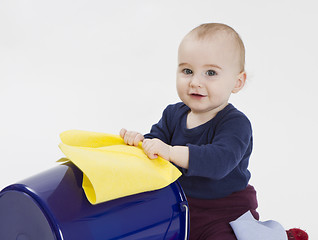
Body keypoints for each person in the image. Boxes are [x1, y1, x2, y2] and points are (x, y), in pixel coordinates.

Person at [120, 23, 308, 240]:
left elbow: (218, 162)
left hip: (223, 210)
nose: (195, 82)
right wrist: (140, 141)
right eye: (187, 71)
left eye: (210, 72)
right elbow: (155, 145)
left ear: (237, 82)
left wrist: (170, 152)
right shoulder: (173, 114)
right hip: (179, 204)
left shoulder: (235, 123)